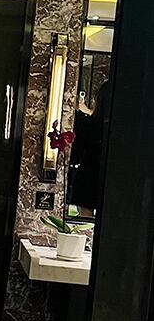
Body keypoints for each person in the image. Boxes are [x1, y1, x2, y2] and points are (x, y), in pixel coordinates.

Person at [68, 79, 110, 217]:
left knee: (85, 218)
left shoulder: (91, 125)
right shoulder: (127, 132)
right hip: (114, 179)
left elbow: (75, 155)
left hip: (88, 176)